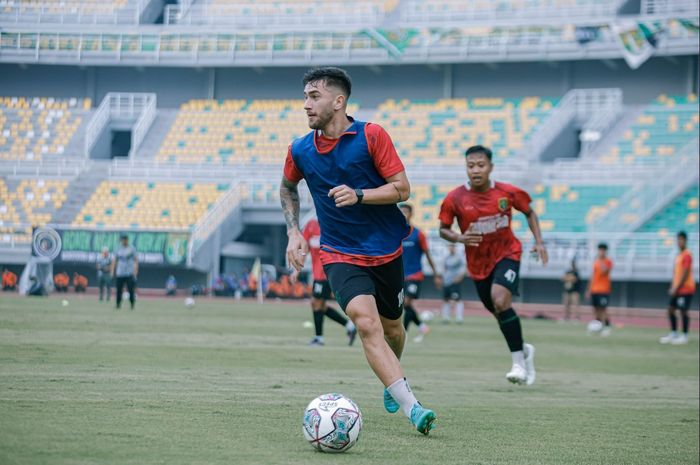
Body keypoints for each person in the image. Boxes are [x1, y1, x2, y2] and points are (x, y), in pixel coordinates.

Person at [280, 66, 436, 435]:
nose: (306, 104)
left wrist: (361, 194)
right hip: (339, 253)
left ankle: (390, 380)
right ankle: (414, 408)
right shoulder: (300, 149)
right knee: (366, 325)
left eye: (314, 96)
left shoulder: (371, 135)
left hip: (385, 250)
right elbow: (287, 189)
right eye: (304, 96)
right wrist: (293, 232)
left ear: (339, 101)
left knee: (393, 330)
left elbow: (402, 189)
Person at [439, 145, 547, 386]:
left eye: (480, 165)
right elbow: (443, 229)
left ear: (490, 167)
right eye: (470, 166)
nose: (475, 170)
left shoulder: (507, 192)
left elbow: (529, 213)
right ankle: (524, 351)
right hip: (478, 265)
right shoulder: (454, 198)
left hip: (508, 253)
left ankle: (518, 363)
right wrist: (459, 237)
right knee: (498, 311)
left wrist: (539, 242)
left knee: (500, 300)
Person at [292, 216, 357, 346]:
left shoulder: (334, 223)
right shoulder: (311, 225)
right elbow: (304, 249)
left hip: (329, 272)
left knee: (316, 303)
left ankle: (319, 338)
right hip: (318, 274)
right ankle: (349, 326)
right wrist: (297, 270)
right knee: (319, 305)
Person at [399, 203, 439, 342]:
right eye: (401, 211)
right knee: (404, 304)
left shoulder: (418, 234)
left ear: (411, 214)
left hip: (414, 274)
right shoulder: (394, 233)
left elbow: (428, 254)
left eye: (406, 212)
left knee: (406, 303)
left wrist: (436, 274)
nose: (403, 214)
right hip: (398, 276)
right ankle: (422, 326)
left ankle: (403, 333)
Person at [660, 231, 696, 345]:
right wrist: (673, 286)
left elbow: (685, 274)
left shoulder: (687, 255)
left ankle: (684, 335)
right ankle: (674, 333)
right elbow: (677, 273)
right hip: (677, 288)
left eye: (681, 240)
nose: (679, 242)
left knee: (683, 311)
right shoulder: (679, 255)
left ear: (685, 241)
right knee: (670, 309)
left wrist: (676, 288)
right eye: (678, 240)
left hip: (685, 288)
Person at [586, 243, 613, 337]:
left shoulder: (608, 261)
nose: (601, 252)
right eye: (599, 250)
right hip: (594, 289)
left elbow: (604, 271)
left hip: (604, 290)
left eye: (602, 250)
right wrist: (589, 289)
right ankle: (598, 327)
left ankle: (607, 327)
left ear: (605, 251)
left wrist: (600, 260)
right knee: (596, 310)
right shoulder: (595, 261)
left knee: (603, 309)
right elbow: (593, 276)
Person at [441, 242, 467, 324]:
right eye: (450, 246)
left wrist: (460, 276)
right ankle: (446, 318)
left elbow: (464, 267)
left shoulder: (459, 257)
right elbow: (444, 268)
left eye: (452, 246)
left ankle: (459, 318)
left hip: (455, 281)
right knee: (446, 299)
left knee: (457, 299)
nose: (451, 248)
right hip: (447, 281)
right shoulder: (446, 257)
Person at [111, 233, 138, 310]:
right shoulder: (118, 249)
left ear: (127, 240)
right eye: (122, 240)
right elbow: (114, 260)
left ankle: (132, 304)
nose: (123, 241)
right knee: (119, 290)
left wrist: (135, 271)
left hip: (129, 273)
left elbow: (136, 260)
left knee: (130, 290)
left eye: (125, 239)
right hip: (120, 273)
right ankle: (118, 304)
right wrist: (112, 271)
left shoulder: (132, 249)